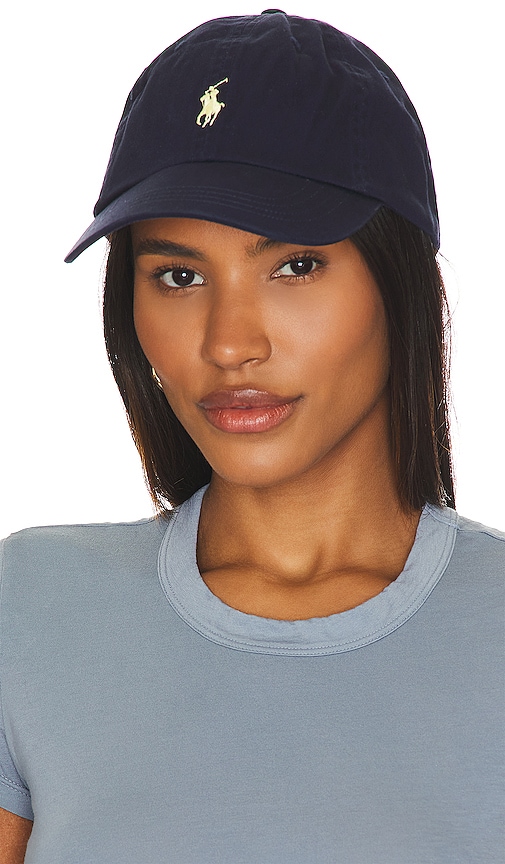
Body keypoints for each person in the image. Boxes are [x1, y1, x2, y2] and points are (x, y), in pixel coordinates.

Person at [0, 11, 503, 863]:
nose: (229, 343)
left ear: (399, 282)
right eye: (178, 275)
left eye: (295, 266)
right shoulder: (29, 608)